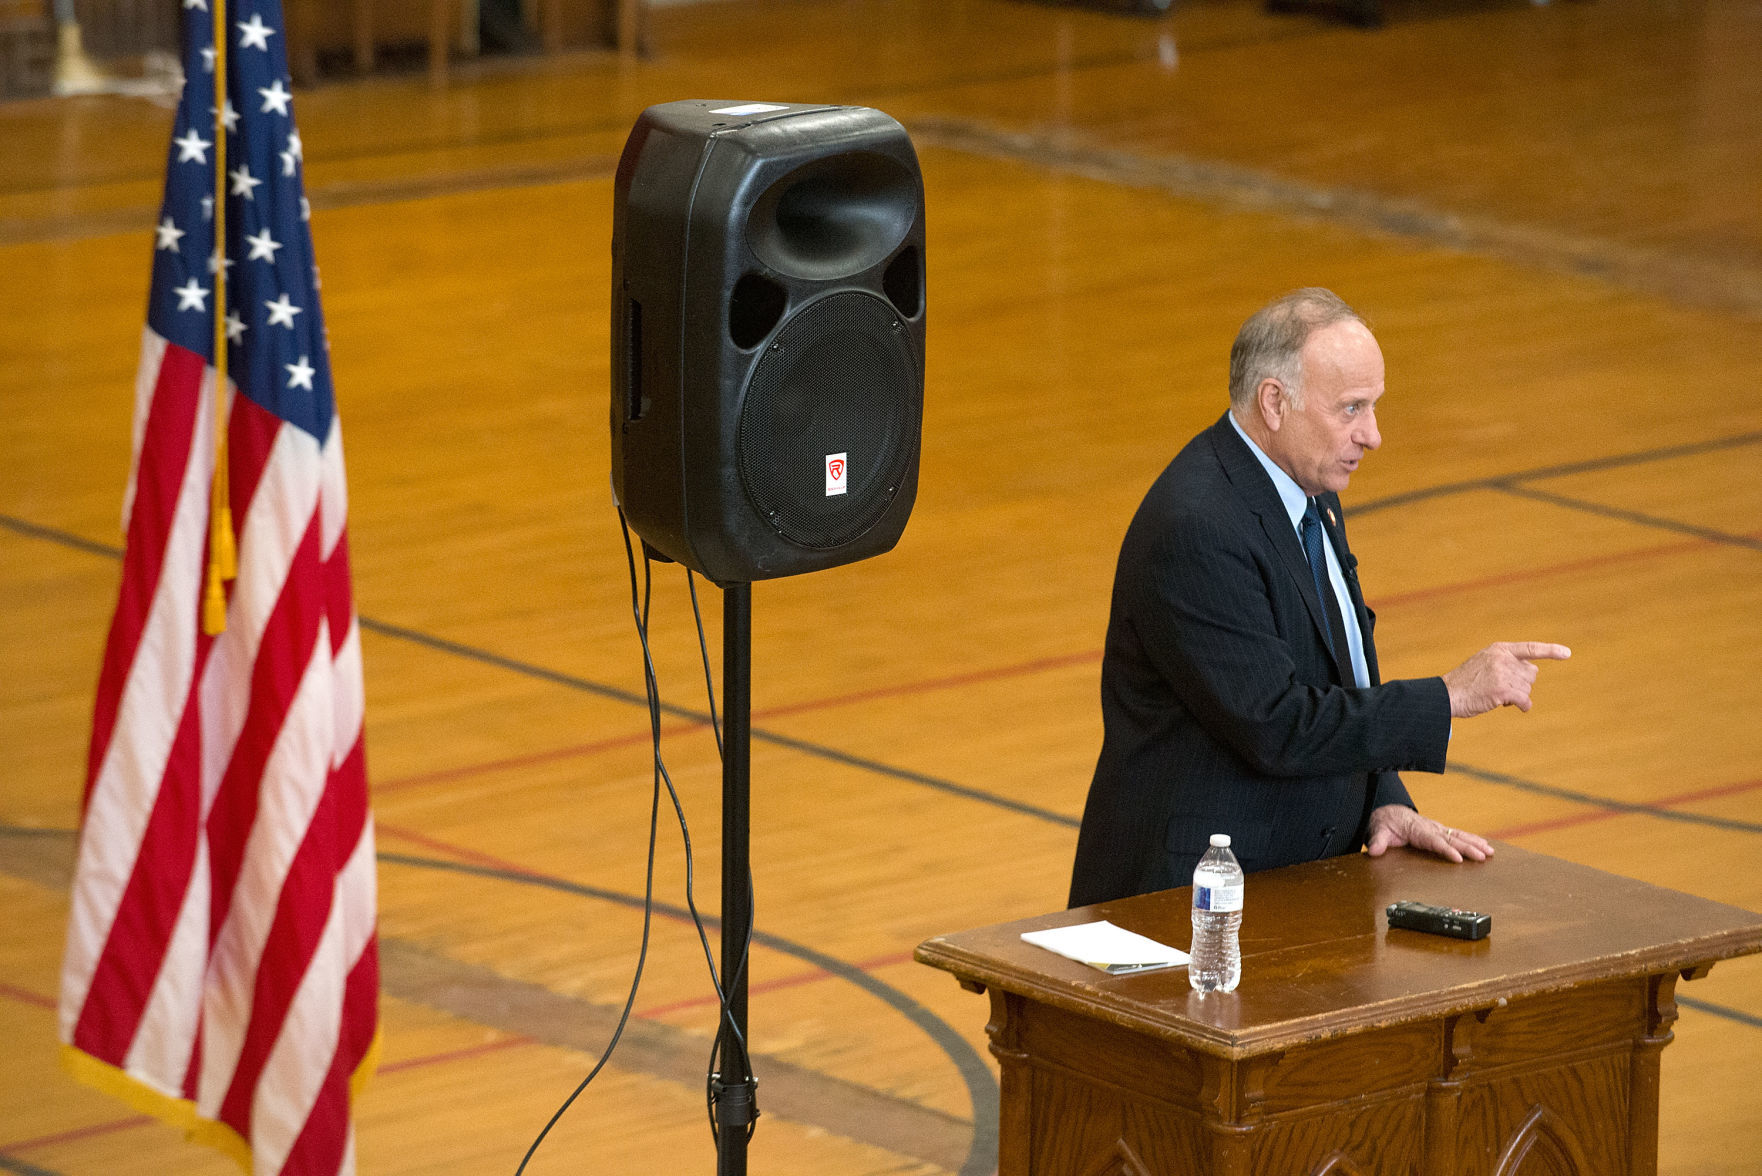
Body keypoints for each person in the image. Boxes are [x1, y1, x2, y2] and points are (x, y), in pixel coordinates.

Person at [1068, 288, 1569, 908]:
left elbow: (1341, 673)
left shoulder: (1309, 488)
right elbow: (1277, 724)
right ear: (1274, 403)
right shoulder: (1197, 528)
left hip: (1298, 880)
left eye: (1373, 406)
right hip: (1188, 903)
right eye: (1351, 408)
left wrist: (1383, 798)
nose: (1373, 435)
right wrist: (1448, 696)